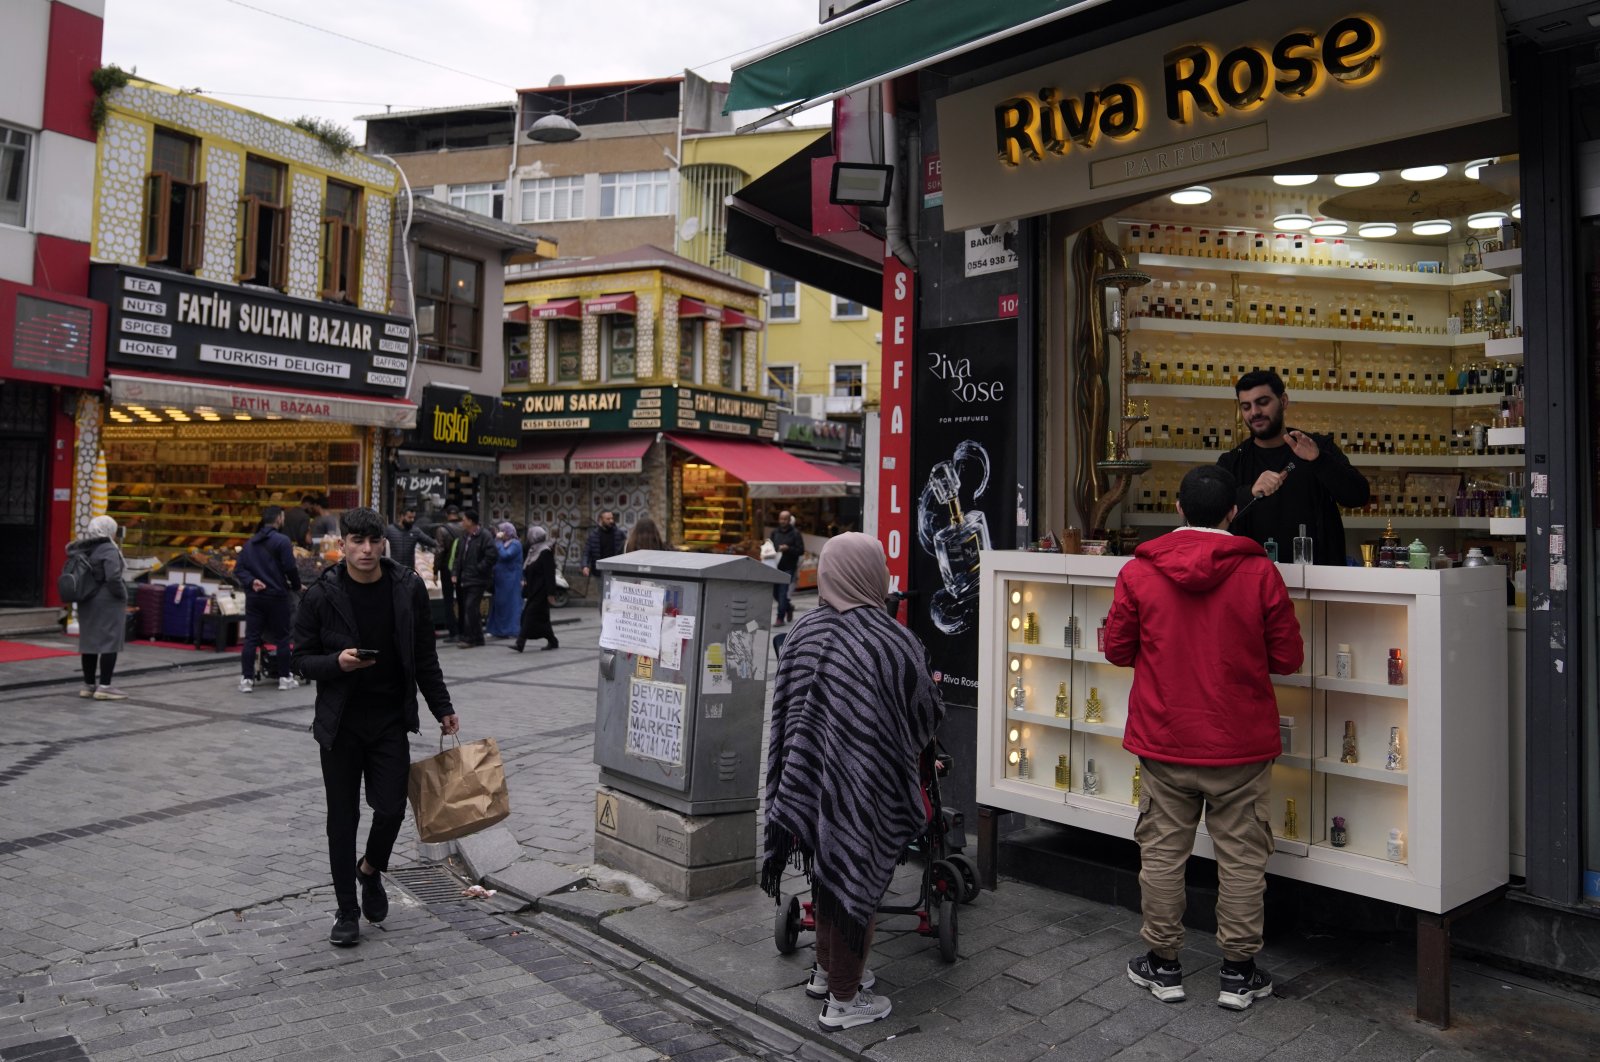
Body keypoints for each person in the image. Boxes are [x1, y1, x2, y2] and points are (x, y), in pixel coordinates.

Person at [1102, 465, 1303, 1011]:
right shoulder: (1260, 572)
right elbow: (1288, 657)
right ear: (1233, 513)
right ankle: (1238, 973)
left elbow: (1117, 649)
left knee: (1163, 853)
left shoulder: (1141, 571)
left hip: (1164, 738)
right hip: (1240, 741)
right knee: (1241, 859)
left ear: (1179, 511)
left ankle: (1163, 965)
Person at [760, 533, 945, 1031]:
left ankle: (827, 972)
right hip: (865, 785)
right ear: (874, 575)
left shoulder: (802, 632)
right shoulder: (892, 640)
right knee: (857, 874)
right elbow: (927, 714)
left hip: (809, 779)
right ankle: (844, 1001)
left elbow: (785, 714)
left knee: (826, 869)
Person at [292, 507, 459, 947]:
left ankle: (369, 870)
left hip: (389, 720)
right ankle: (346, 911)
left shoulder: (407, 588)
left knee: (391, 809)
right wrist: (337, 663)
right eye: (356, 542)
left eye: (374, 542)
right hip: (341, 723)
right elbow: (298, 658)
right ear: (342, 543)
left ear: (383, 542)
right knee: (342, 819)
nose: (366, 550)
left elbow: (424, 654)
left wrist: (441, 706)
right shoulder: (322, 594)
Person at [1218, 370, 1369, 565]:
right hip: (1254, 579)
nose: (1254, 412)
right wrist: (1251, 492)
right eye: (1246, 406)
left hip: (1318, 581)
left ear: (1283, 401)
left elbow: (1359, 496)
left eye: (1263, 402)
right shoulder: (1233, 462)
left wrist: (1319, 460)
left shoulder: (1318, 447)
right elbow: (1211, 516)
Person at [234, 505, 303, 692]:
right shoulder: (282, 541)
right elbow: (290, 568)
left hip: (255, 598)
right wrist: (297, 587)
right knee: (282, 637)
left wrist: (252, 581)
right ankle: (284, 678)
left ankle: (246, 680)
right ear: (279, 519)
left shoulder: (250, 543)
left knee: (251, 638)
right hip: (277, 595)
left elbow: (238, 569)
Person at [68, 515, 128, 701]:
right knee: (110, 641)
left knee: (90, 643)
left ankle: (88, 685)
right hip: (107, 600)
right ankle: (105, 686)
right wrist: (122, 594)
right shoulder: (109, 549)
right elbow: (113, 577)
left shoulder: (85, 548)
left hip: (87, 598)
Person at [451, 508, 496, 648]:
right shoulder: (465, 536)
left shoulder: (485, 536)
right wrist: (455, 573)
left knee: (470, 607)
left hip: (478, 579)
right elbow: (459, 557)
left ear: (470, 521)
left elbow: (492, 555)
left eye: (463, 519)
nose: (461, 522)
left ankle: (469, 638)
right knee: (471, 609)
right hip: (465, 578)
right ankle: (478, 638)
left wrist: (478, 568)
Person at [513, 525, 559, 652]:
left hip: (542, 592)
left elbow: (550, 574)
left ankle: (520, 643)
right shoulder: (533, 551)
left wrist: (551, 593)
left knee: (529, 616)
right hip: (533, 591)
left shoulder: (545, 552)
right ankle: (552, 640)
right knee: (542, 620)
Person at [433, 505, 464, 639]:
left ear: (446, 515)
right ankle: (463, 629)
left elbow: (440, 551)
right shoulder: (464, 528)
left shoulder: (442, 530)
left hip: (447, 568)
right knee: (462, 599)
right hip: (462, 568)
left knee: (448, 600)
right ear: (457, 514)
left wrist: (435, 570)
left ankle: (453, 631)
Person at [487, 521, 523, 638]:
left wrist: (497, 542)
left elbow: (505, 555)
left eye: (502, 531)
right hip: (500, 579)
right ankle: (497, 629)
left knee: (510, 605)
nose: (500, 533)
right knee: (499, 604)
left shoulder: (515, 544)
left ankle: (511, 630)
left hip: (510, 580)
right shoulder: (503, 543)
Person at [769, 510, 804, 626]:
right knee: (775, 593)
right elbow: (770, 547)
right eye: (781, 519)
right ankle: (789, 608)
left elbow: (801, 550)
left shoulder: (795, 533)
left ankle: (780, 618)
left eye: (785, 519)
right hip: (775, 567)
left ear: (789, 520)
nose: (782, 521)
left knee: (782, 593)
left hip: (789, 567)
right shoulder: (774, 533)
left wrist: (788, 549)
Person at [382, 506, 434, 571]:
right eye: (409, 517)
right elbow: (379, 541)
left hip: (408, 571)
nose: (412, 520)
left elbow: (430, 542)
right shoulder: (390, 530)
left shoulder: (415, 531)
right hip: (393, 568)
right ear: (401, 516)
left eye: (413, 518)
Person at [581, 510, 626, 579]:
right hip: (599, 572)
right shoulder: (594, 535)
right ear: (601, 520)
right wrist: (585, 566)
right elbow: (586, 552)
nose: (611, 521)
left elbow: (626, 550)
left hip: (616, 571)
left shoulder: (620, 534)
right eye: (608, 519)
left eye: (612, 518)